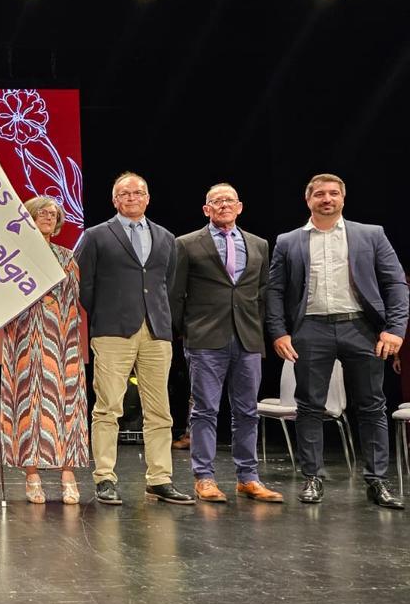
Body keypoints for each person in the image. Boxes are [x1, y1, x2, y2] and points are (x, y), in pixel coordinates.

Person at [267, 173, 408, 509]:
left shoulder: (370, 235)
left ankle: (377, 481)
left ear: (343, 198)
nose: (326, 199)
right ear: (308, 200)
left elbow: (396, 284)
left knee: (372, 405)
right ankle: (313, 478)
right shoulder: (288, 241)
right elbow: (274, 291)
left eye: (333, 193)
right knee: (309, 407)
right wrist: (279, 331)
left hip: (360, 327)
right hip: (310, 329)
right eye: (319, 194)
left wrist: (395, 329)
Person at [75, 172, 193, 505]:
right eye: (124, 193)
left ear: (147, 198)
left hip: (157, 331)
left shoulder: (166, 237)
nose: (132, 197)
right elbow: (85, 286)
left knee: (160, 410)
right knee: (108, 407)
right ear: (115, 200)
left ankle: (159, 478)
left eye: (138, 192)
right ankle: (105, 478)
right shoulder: (96, 236)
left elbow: (168, 283)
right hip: (113, 331)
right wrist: (105, 314)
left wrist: (161, 317)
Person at [171, 184, 283, 504]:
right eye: (216, 201)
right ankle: (204, 477)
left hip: (247, 337)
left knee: (247, 410)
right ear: (206, 209)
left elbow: (262, 293)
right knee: (205, 410)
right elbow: (176, 294)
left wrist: (257, 327)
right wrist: (186, 330)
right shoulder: (187, 244)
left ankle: (248, 477)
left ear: (240, 206)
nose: (223, 205)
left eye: (229, 201)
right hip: (205, 338)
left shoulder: (259, 245)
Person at [0, 196, 88, 504]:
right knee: (29, 403)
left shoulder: (66, 256)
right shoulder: (14, 255)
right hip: (25, 337)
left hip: (62, 338)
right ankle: (32, 474)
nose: (48, 217)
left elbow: (76, 300)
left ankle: (68, 473)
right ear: (29, 218)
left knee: (66, 403)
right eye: (41, 213)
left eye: (53, 214)